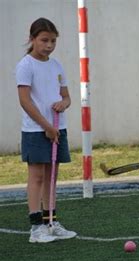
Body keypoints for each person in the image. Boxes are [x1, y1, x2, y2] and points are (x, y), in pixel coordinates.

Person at [16, 18, 77, 243]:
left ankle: (51, 221)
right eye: (44, 40)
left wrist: (64, 103)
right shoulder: (26, 65)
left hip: (57, 128)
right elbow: (25, 101)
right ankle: (36, 228)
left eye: (53, 41)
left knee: (52, 177)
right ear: (32, 39)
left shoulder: (56, 65)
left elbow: (66, 96)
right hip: (36, 130)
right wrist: (46, 126)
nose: (49, 45)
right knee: (37, 176)